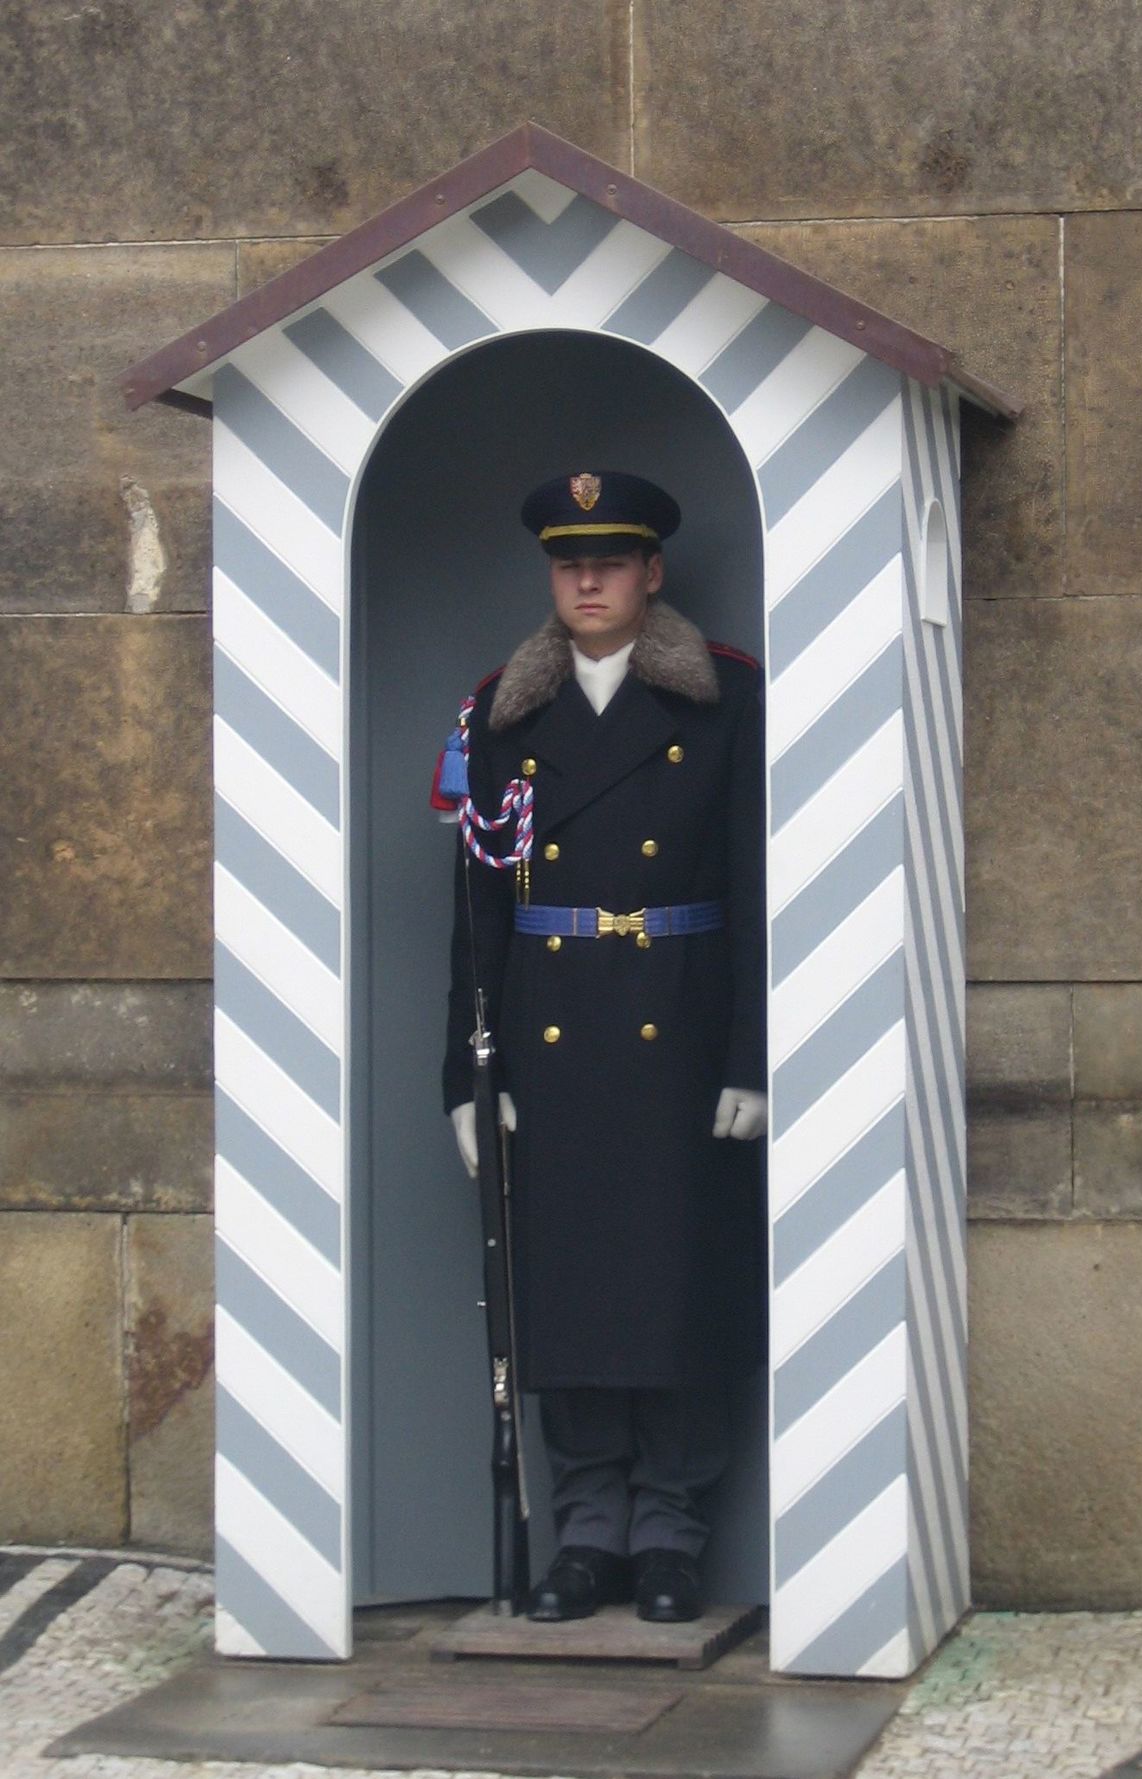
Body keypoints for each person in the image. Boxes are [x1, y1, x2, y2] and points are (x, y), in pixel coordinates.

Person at [439, 470, 767, 1624]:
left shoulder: (725, 701)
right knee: (568, 1293)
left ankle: (671, 1538)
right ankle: (585, 1534)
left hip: (677, 1028)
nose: (588, 578)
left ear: (652, 573)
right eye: (569, 561)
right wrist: (467, 1076)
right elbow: (479, 908)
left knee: (677, 1285)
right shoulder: (503, 714)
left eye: (613, 559)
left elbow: (760, 887)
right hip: (552, 1037)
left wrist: (752, 1055)